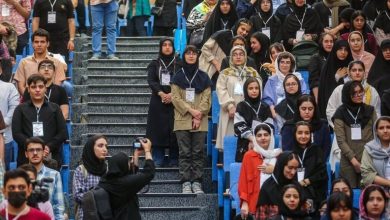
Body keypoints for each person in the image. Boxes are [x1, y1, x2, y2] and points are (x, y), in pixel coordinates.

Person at [171, 45, 212, 193]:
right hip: (182, 120)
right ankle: (186, 182)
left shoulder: (204, 76)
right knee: (184, 153)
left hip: (200, 120)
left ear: (197, 56)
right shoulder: (177, 76)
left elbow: (207, 98)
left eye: (194, 53)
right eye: (188, 53)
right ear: (184, 56)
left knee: (198, 152)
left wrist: (199, 114)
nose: (191, 56)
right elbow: (175, 98)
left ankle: (197, 182)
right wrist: (191, 111)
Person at [12, 74, 67, 167]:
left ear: (45, 88)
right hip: (26, 159)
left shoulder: (55, 108)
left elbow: (63, 133)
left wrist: (48, 147)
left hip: (50, 157)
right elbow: (16, 133)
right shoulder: (20, 109)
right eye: (33, 87)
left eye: (40, 86)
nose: (37, 90)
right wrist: (32, 147)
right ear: (28, 89)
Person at [332, 80, 376, 188]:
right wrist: (354, 161)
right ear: (347, 94)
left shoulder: (370, 110)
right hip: (348, 161)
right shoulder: (340, 113)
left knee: (368, 193)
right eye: (354, 93)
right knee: (349, 193)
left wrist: (369, 157)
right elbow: (341, 141)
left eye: (360, 92)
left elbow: (376, 134)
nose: (358, 95)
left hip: (369, 158)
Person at [98, 138, 155, 220]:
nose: (129, 164)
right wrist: (147, 151)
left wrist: (136, 154)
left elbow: (130, 176)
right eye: (128, 162)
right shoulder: (124, 184)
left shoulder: (106, 180)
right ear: (123, 165)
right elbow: (149, 173)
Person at [215, 45, 259, 150]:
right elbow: (221, 90)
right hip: (230, 112)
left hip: (249, 111)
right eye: (235, 55)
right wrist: (230, 106)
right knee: (230, 145)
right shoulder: (225, 73)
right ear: (231, 57)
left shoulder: (252, 73)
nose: (238, 57)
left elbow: (257, 89)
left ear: (245, 57)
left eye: (241, 54)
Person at [146, 37, 181, 167]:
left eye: (170, 45)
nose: (167, 47)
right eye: (164, 45)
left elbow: (181, 80)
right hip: (157, 99)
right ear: (160, 47)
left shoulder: (179, 62)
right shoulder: (155, 63)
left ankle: (174, 157)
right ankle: (158, 156)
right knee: (157, 129)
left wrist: (172, 94)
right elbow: (151, 80)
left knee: (174, 129)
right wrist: (161, 93)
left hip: (175, 100)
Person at [238, 123, 282, 218]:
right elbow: (243, 182)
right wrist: (244, 203)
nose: (263, 138)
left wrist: (274, 170)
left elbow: (286, 180)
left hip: (275, 203)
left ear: (271, 137)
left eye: (266, 135)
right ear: (255, 138)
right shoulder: (249, 156)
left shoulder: (279, 155)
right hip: (255, 203)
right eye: (259, 135)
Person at [14, 29, 68, 96]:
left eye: (42, 42)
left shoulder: (56, 63)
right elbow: (21, 86)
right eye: (36, 42)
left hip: (50, 100)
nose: (39, 44)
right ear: (33, 44)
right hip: (28, 100)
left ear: (48, 44)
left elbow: (56, 88)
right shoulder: (24, 62)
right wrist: (30, 100)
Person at [290, 121, 327, 215]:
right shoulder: (290, 152)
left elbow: (322, 173)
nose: (303, 136)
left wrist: (307, 181)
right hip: (294, 192)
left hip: (313, 191)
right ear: (295, 134)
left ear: (311, 135)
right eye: (300, 133)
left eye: (307, 133)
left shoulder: (316, 150)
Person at [24, 137, 65, 220]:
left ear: (43, 152)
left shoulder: (55, 175)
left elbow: (59, 207)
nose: (35, 153)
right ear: (26, 154)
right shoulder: (19, 175)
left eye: (38, 150)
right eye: (31, 150)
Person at [281, 95, 331, 161]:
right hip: (295, 164)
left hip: (318, 165)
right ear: (298, 109)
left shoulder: (322, 125)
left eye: (310, 109)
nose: (307, 112)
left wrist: (318, 164)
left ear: (314, 109)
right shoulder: (289, 126)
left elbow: (326, 148)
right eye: (303, 109)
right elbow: (287, 149)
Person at [262, 51, 309, 122]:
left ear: (291, 64)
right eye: (282, 62)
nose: (285, 65)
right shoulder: (271, 80)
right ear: (278, 64)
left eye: (288, 62)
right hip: (276, 114)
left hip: (297, 113)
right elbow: (268, 100)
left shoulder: (299, 78)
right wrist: (275, 114)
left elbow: (304, 95)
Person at [234, 78, 273, 161]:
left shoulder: (265, 106)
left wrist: (258, 139)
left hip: (264, 143)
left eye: (256, 88)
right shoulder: (241, 106)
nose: (254, 91)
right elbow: (239, 126)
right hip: (245, 144)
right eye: (251, 88)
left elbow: (270, 126)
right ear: (246, 90)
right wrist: (252, 139)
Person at [256, 151, 300, 219]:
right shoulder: (268, 188)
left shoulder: (297, 185)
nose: (293, 172)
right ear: (281, 165)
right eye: (290, 168)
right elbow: (261, 217)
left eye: (295, 168)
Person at [72, 134, 108, 220]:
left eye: (106, 146)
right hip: (86, 215)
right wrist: (99, 198)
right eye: (100, 146)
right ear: (91, 148)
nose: (105, 149)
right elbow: (78, 195)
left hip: (106, 215)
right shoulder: (81, 170)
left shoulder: (108, 169)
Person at [318, 40, 353, 119]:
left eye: (346, 50)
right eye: (340, 49)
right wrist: (337, 77)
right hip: (332, 108)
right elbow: (325, 91)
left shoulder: (352, 66)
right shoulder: (327, 68)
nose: (343, 52)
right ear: (335, 50)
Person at [361, 116, 390, 188]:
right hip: (377, 191)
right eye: (381, 128)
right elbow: (366, 174)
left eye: (388, 127)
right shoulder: (369, 149)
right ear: (376, 131)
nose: (385, 130)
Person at [308, 33, 335, 103]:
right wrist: (317, 98)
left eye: (331, 41)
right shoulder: (315, 58)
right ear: (321, 43)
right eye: (326, 41)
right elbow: (314, 80)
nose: (329, 44)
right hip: (321, 94)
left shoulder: (337, 57)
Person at [0, 78, 19, 170]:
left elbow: (14, 108)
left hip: (4, 136)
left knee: (3, 171)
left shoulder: (9, 87)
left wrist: (2, 124)